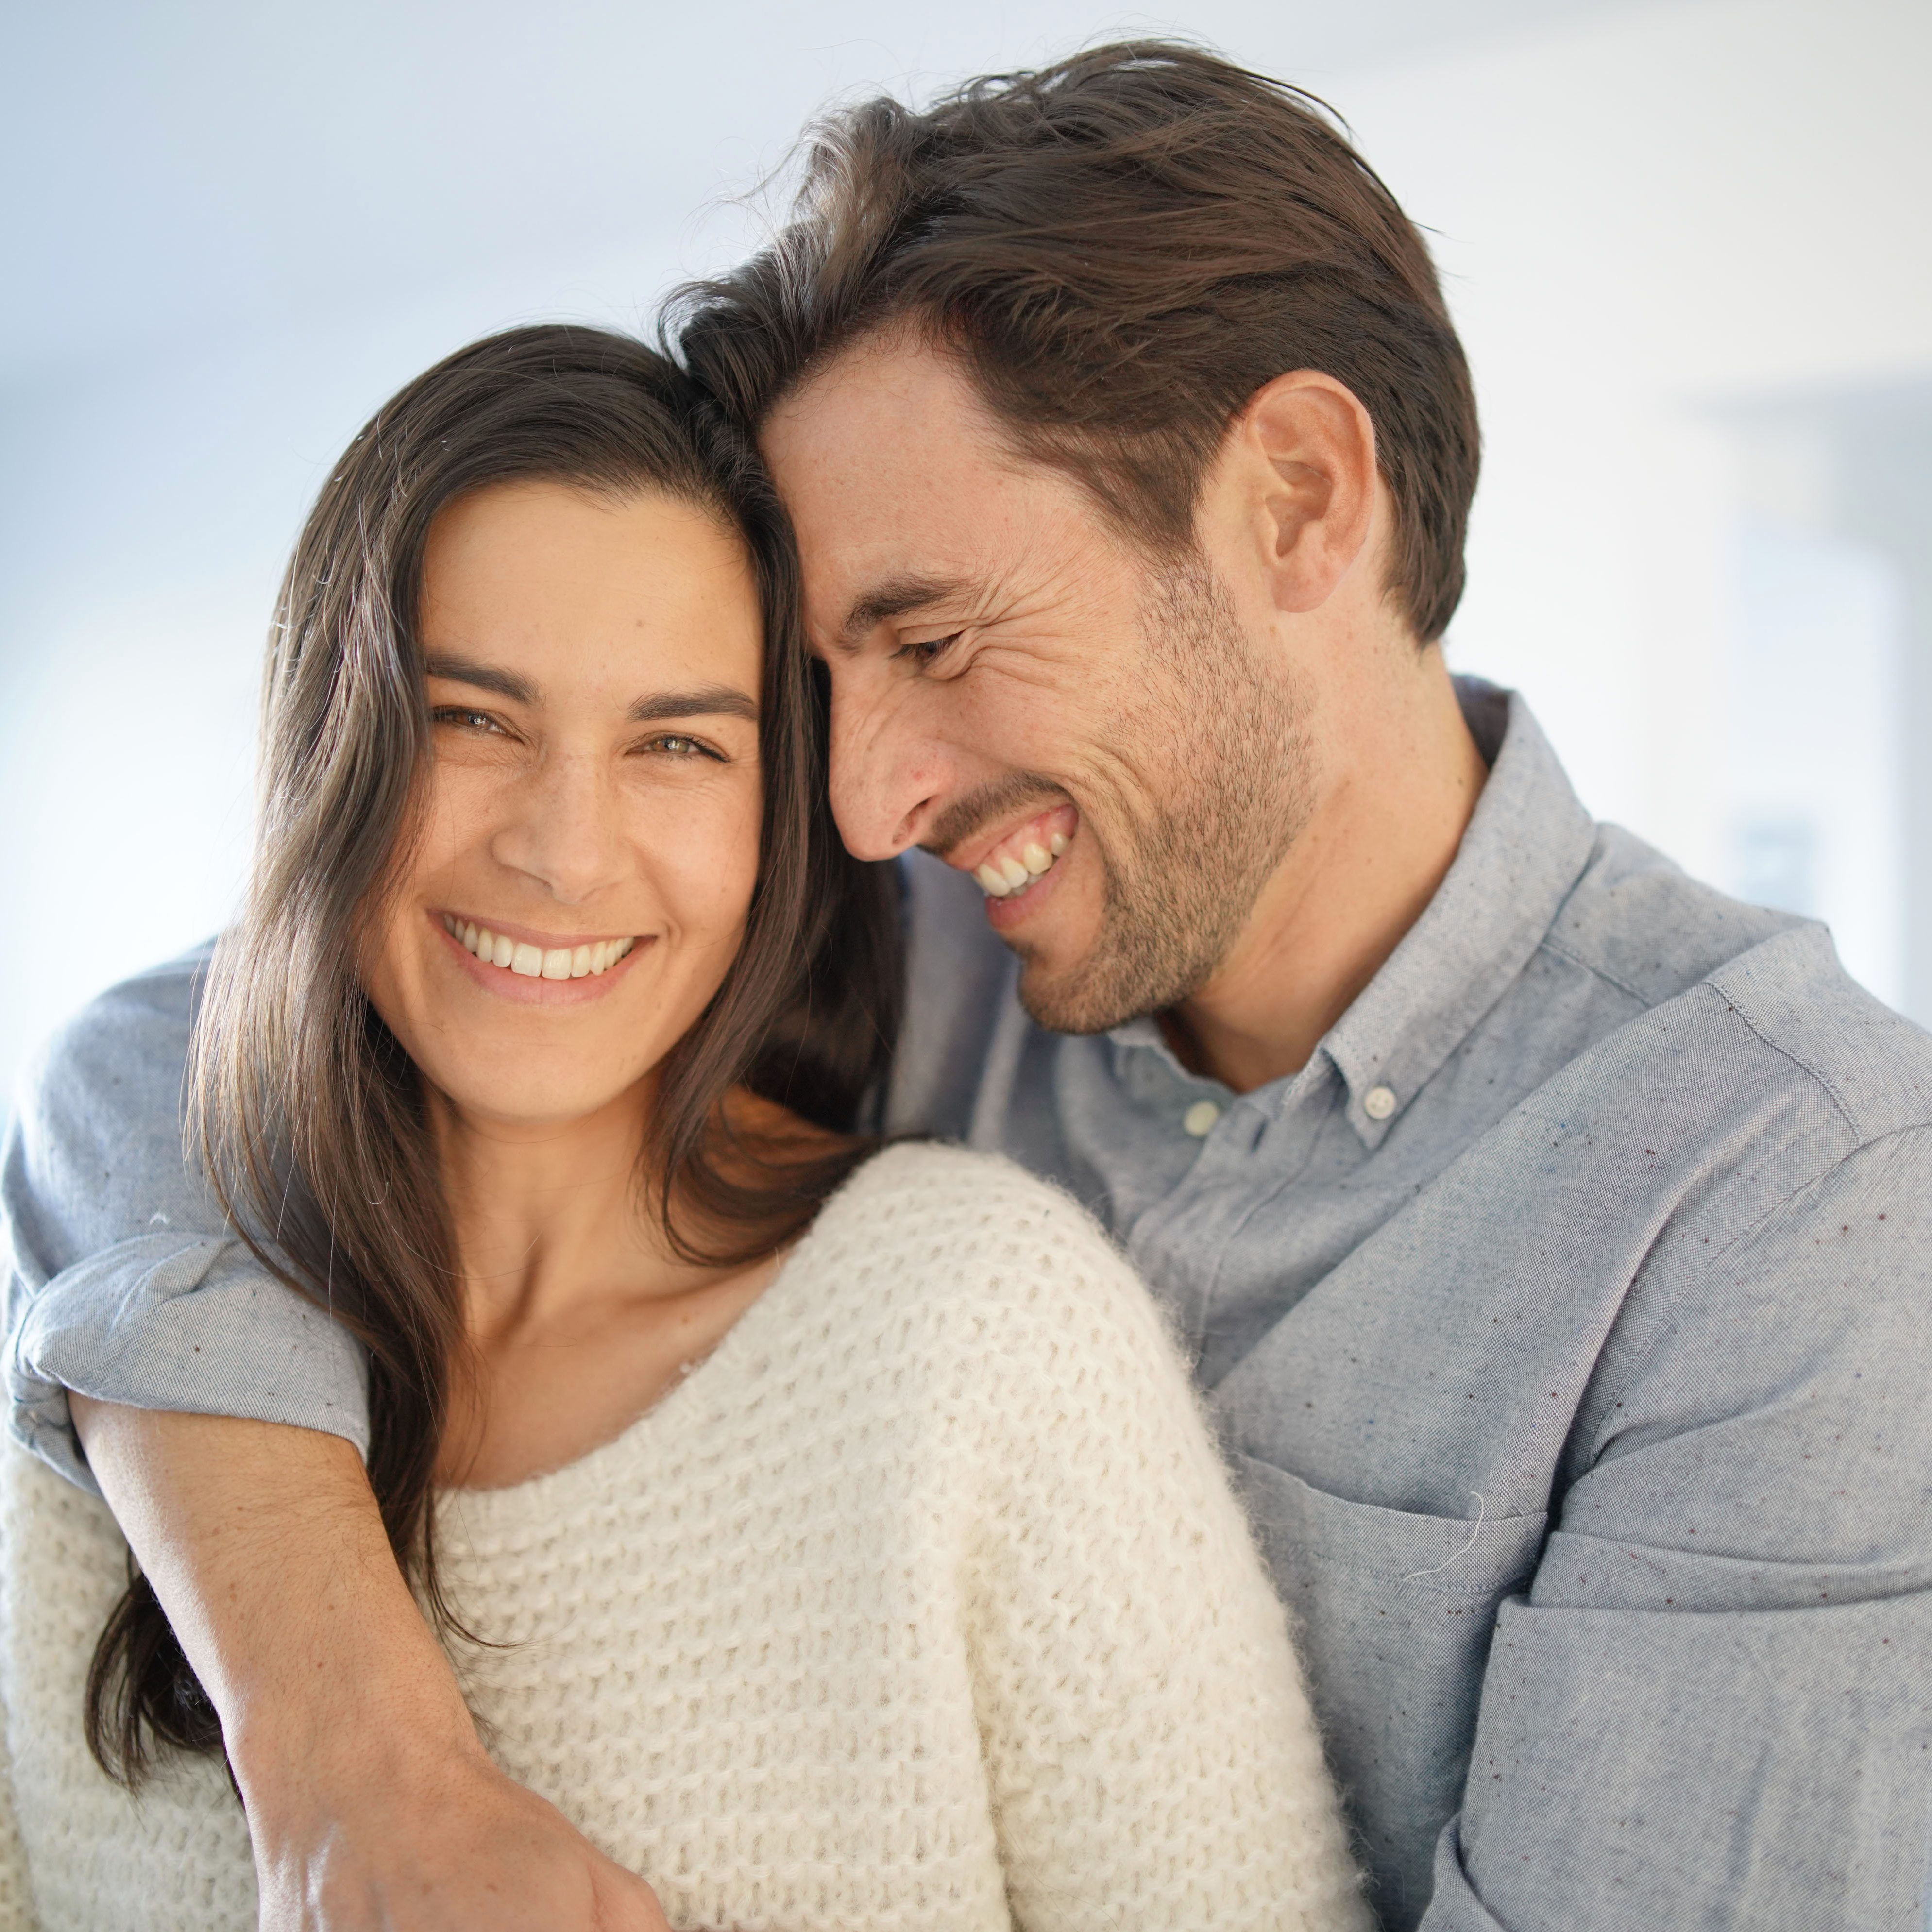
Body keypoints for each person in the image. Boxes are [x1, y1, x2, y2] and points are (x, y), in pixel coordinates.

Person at [7, 38, 1931, 1932]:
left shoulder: (1793, 1198)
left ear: (1295, 497)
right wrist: (356, 1753)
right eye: (819, 687)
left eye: (930, 638)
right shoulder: (917, 923)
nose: (864, 801)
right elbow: (178, 1061)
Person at [0, 324, 1367, 1932]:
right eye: (471, 718)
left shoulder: (982, 1336)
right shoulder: (111, 1415)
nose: (565, 853)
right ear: (326, 752)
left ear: (781, 811)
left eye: (677, 744)